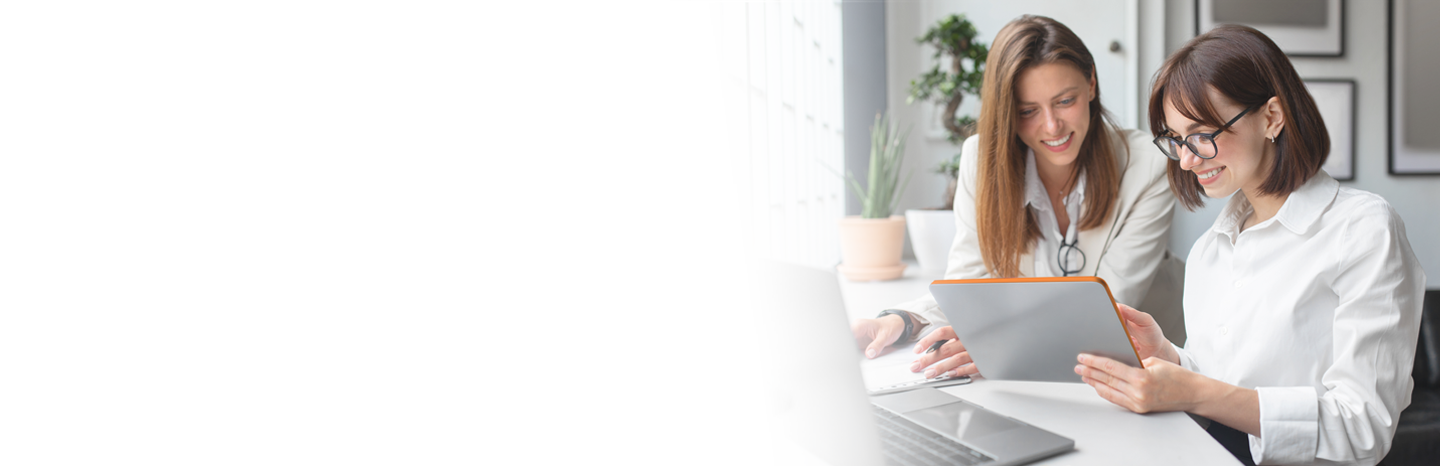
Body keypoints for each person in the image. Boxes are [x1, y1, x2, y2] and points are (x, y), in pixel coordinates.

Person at [1072, 25, 1426, 466]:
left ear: (1272, 117)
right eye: (1177, 140)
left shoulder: (1362, 230)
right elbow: (1220, 386)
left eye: (1203, 134)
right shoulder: (1209, 250)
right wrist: (1168, 356)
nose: (1186, 159)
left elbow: (1362, 428)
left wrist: (1194, 391)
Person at [851, 15, 1184, 380]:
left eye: (1065, 100)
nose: (1052, 126)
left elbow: (1110, 309)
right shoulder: (982, 160)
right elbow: (969, 284)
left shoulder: (1149, 166)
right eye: (1028, 111)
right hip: (1039, 369)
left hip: (1145, 370)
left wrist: (998, 341)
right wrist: (904, 320)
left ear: (1091, 84)